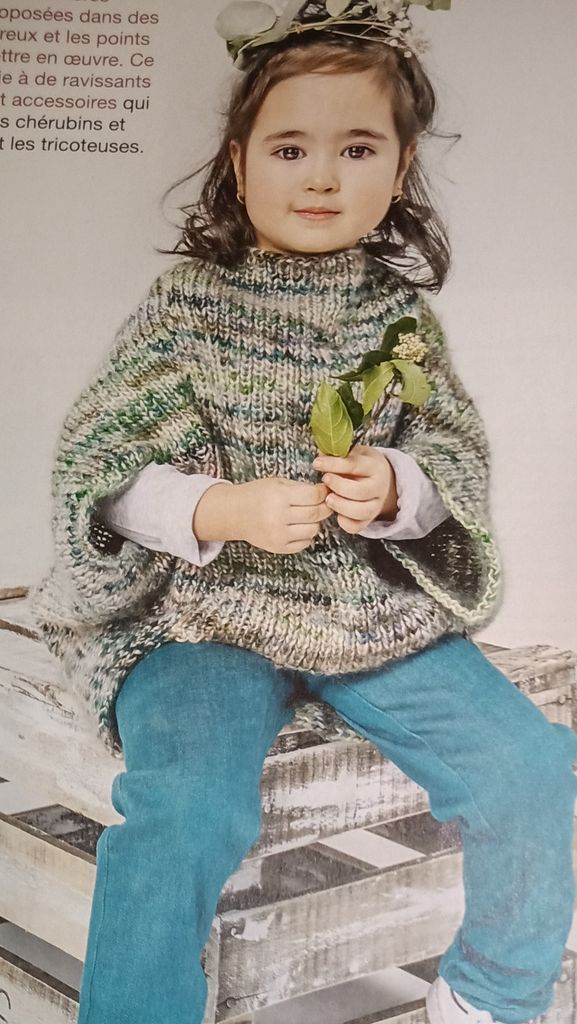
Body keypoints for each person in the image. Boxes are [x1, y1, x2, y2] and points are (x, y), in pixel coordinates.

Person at [28, 2, 577, 1023]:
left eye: (356, 148)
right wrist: (216, 506)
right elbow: (100, 471)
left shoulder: (398, 319)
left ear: (399, 170)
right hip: (199, 620)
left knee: (533, 765)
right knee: (185, 806)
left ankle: (491, 994)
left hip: (362, 612)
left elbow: (449, 457)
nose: (321, 177)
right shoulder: (189, 307)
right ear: (239, 166)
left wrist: (399, 491)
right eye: (289, 148)